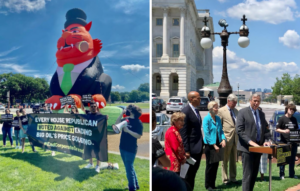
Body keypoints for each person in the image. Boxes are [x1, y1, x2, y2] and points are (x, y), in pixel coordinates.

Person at [236, 94, 271, 191]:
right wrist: (250, 142)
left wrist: (267, 141)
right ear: (250, 100)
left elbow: (265, 130)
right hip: (247, 149)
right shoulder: (242, 112)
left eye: (258, 101)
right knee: (247, 175)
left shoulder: (261, 114)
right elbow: (239, 130)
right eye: (254, 100)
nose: (256, 103)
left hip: (258, 149)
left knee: (254, 174)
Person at [114, 104, 143, 191]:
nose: (126, 110)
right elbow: (116, 124)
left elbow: (138, 136)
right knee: (129, 167)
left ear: (132, 111)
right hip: (122, 147)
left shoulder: (138, 122)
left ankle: (132, 188)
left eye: (128, 109)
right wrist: (121, 114)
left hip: (131, 149)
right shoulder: (126, 119)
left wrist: (128, 131)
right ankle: (136, 185)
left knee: (129, 169)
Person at [179, 91, 204, 190]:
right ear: (191, 99)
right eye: (198, 98)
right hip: (191, 151)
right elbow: (183, 133)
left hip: (197, 148)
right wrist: (187, 150)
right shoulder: (186, 111)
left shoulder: (196, 111)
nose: (200, 100)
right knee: (187, 176)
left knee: (192, 174)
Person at [203, 101, 226, 190]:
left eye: (217, 107)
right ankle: (208, 185)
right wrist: (213, 145)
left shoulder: (218, 118)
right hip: (210, 145)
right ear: (210, 108)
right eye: (216, 107)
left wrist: (223, 139)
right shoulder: (206, 119)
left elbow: (221, 131)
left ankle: (213, 184)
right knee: (210, 165)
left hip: (218, 144)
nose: (217, 109)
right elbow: (207, 133)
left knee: (216, 165)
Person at [218, 94, 238, 185]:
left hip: (235, 139)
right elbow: (219, 126)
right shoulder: (221, 111)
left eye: (236, 103)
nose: (235, 105)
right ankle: (225, 179)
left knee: (234, 160)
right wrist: (221, 139)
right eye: (233, 103)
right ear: (228, 101)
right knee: (224, 160)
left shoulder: (236, 111)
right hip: (226, 139)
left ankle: (233, 177)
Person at [275, 103, 299, 179]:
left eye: (293, 110)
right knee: (283, 160)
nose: (292, 111)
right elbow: (277, 129)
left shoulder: (294, 119)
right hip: (284, 142)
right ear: (287, 109)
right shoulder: (282, 118)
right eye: (290, 109)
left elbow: (296, 130)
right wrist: (284, 131)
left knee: (292, 159)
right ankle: (282, 175)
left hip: (293, 142)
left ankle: (291, 174)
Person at [84, 101, 105, 173]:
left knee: (97, 151)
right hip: (89, 136)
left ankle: (97, 165)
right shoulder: (88, 114)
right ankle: (91, 163)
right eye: (91, 106)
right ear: (90, 108)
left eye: (94, 106)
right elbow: (82, 109)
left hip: (96, 137)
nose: (93, 108)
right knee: (88, 150)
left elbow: (104, 125)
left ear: (97, 107)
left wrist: (105, 119)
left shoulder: (100, 115)